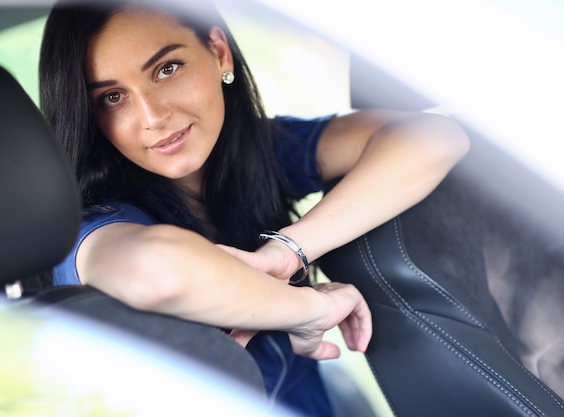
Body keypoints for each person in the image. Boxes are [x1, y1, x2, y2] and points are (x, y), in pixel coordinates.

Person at [40, 0, 470, 415]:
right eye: (112, 98)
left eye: (166, 69)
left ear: (219, 53)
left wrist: (286, 252)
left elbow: (436, 137)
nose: (152, 116)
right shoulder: (92, 224)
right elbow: (160, 270)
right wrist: (312, 311)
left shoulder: (261, 152)